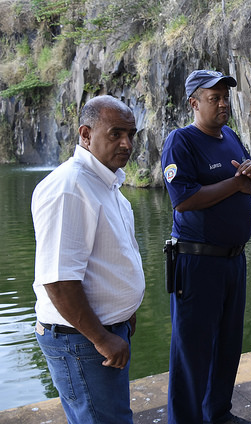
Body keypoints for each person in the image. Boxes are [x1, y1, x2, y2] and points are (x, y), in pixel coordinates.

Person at [31, 95, 146, 424]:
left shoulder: (106, 182)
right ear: (85, 134)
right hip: (81, 341)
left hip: (105, 332)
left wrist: (126, 314)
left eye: (131, 134)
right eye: (115, 134)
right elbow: (58, 280)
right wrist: (102, 337)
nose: (126, 143)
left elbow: (108, 260)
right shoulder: (70, 188)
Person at [161, 70, 251, 424]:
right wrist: (236, 184)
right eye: (213, 97)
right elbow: (184, 199)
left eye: (225, 97)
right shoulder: (180, 141)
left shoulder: (230, 136)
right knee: (192, 352)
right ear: (193, 103)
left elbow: (246, 182)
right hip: (197, 262)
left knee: (228, 346)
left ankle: (217, 413)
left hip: (234, 261)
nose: (222, 103)